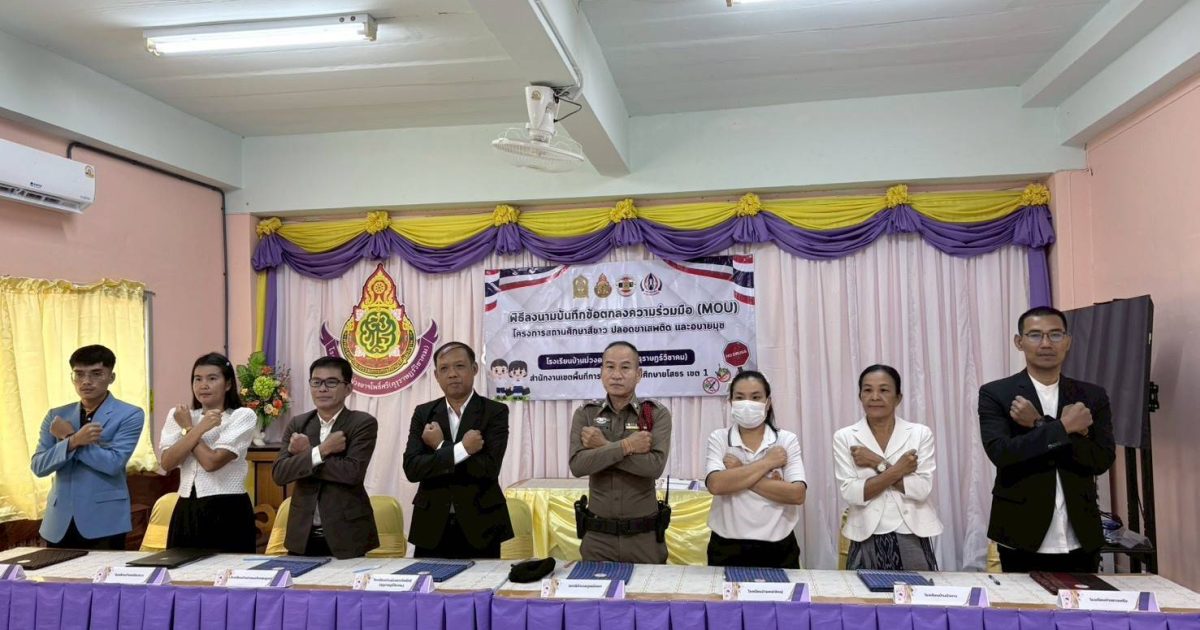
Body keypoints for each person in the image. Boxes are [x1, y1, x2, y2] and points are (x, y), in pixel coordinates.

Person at [979, 306, 1115, 573]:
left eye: (1055, 335)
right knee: (1022, 602)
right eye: (1035, 335)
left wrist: (1040, 424)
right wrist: (1065, 427)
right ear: (1019, 342)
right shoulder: (997, 393)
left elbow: (1101, 459)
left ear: (1068, 341)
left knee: (1082, 602)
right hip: (1019, 534)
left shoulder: (1092, 395)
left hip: (1081, 536)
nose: (1045, 343)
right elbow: (1003, 454)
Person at [403, 342, 514, 558]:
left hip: (481, 525)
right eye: (444, 368)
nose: (452, 374)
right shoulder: (424, 413)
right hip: (431, 525)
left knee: (481, 581)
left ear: (474, 369)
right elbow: (412, 469)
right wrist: (463, 449)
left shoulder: (495, 411)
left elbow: (488, 469)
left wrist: (440, 447)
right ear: (436, 376)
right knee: (428, 581)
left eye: (460, 366)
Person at [31, 344, 145, 549]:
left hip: (105, 521)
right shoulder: (56, 416)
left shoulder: (130, 414)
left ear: (111, 377)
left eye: (96, 374)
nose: (86, 381)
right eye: (79, 374)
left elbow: (113, 464)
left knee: (102, 572)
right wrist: (73, 441)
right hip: (59, 522)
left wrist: (69, 437)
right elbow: (39, 466)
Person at [569, 341, 672, 564]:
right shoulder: (586, 414)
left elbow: (654, 467)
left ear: (638, 374)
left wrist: (602, 446)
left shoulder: (655, 414)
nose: (616, 375)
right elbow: (578, 465)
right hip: (598, 538)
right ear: (601, 372)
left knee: (648, 587)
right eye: (610, 367)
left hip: (644, 538)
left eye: (625, 367)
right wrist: (626, 446)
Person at [833, 364, 943, 571]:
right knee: (863, 591)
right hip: (866, 533)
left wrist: (877, 462)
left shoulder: (920, 433)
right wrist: (898, 469)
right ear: (860, 396)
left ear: (898, 397)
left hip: (911, 532)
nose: (875, 397)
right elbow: (852, 493)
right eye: (867, 390)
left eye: (884, 390)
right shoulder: (845, 437)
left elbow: (921, 490)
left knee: (916, 590)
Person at [273, 356, 379, 558]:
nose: (322, 389)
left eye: (331, 382)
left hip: (348, 535)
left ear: (348, 389)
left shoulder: (362, 423)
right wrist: (321, 451)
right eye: (316, 382)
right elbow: (280, 474)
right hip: (302, 535)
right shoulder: (298, 424)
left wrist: (306, 455)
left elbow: (352, 472)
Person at [704, 370, 807, 568]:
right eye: (740, 397)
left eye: (756, 397)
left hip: (779, 547)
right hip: (727, 546)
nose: (747, 403)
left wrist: (739, 470)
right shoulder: (719, 438)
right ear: (730, 402)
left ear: (767, 403)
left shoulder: (786, 440)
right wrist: (767, 463)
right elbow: (716, 485)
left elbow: (797, 494)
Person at [158, 353, 258, 552]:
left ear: (228, 384)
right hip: (187, 506)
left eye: (212, 378)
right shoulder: (180, 416)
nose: (203, 385)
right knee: (182, 569)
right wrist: (195, 428)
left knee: (228, 569)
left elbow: (212, 462)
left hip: (228, 507)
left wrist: (189, 429)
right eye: (197, 379)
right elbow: (167, 463)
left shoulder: (241, 416)